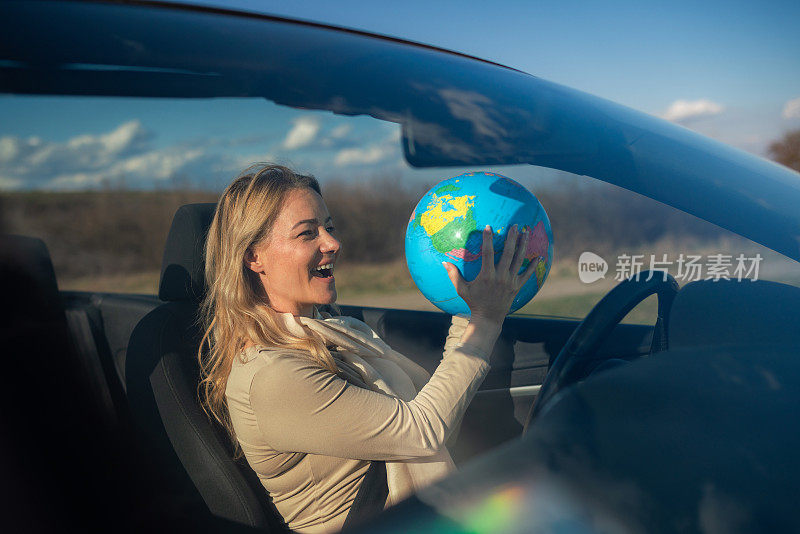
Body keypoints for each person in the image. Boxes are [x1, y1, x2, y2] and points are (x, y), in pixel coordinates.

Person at [198, 164, 535, 533]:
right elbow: (423, 434)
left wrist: (469, 311)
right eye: (307, 233)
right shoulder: (273, 376)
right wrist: (484, 322)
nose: (332, 243)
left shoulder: (338, 332)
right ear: (253, 257)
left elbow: (437, 419)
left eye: (329, 227)